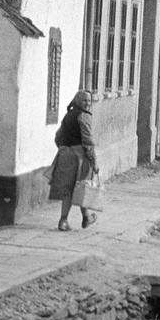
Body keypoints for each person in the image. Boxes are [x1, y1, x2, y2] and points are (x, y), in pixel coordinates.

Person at [50, 90, 99, 230]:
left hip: (65, 155)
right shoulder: (84, 116)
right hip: (79, 157)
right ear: (78, 100)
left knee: (69, 189)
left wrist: (64, 148)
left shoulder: (68, 115)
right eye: (84, 100)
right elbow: (88, 141)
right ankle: (85, 217)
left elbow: (58, 136)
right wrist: (94, 161)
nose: (87, 103)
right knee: (82, 186)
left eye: (89, 101)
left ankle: (65, 220)